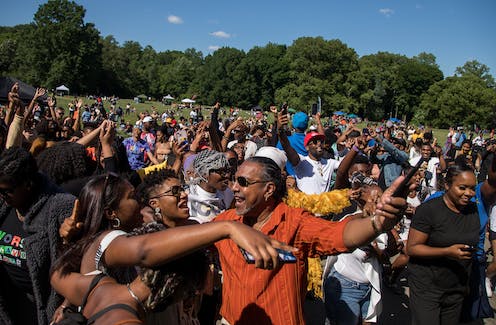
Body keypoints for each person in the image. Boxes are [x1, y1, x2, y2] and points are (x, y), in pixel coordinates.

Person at [213, 156, 408, 324]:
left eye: (243, 182)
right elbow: (192, 237)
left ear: (269, 189)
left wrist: (378, 223)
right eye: (234, 181)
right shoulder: (225, 221)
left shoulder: (295, 223)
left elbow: (341, 235)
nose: (234, 187)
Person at [0, 147, 76, 325]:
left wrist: (66, 304)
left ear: (27, 184)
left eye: (7, 191)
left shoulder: (61, 208)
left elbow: (81, 262)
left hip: (41, 309)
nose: (2, 196)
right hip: (8, 304)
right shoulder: (5, 205)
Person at [406, 163, 480, 324]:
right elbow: (412, 248)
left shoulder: (473, 210)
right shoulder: (429, 210)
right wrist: (447, 251)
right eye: (462, 188)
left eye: (472, 188)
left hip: (456, 288)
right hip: (427, 287)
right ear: (447, 185)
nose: (469, 193)